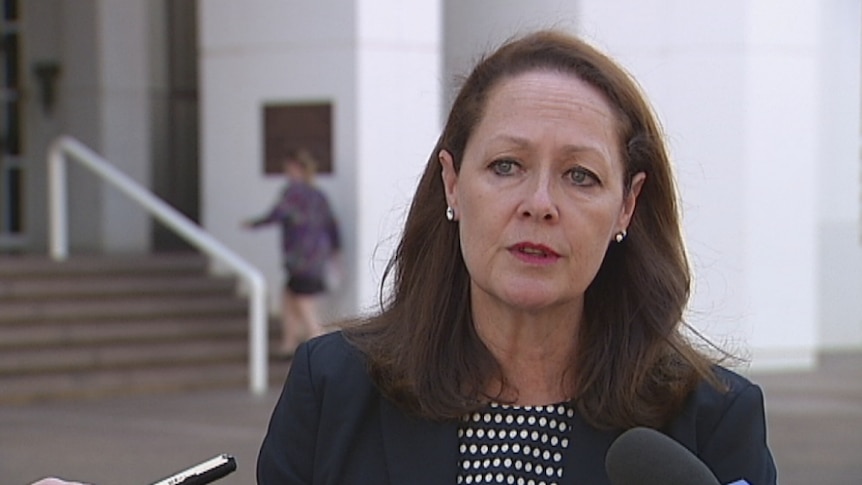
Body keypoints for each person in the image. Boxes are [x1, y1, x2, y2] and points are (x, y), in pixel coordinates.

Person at [257, 29, 777, 485]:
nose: (540, 205)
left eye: (580, 176)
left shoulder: (711, 421)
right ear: (453, 183)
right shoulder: (332, 389)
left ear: (627, 206)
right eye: (507, 166)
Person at [244, 149, 341, 358]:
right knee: (288, 295)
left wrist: (254, 224)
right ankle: (289, 342)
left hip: (300, 257)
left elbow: (277, 214)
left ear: (296, 168)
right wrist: (335, 252)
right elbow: (332, 225)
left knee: (303, 301)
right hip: (317, 256)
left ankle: (319, 343)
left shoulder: (293, 193)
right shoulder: (318, 195)